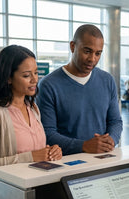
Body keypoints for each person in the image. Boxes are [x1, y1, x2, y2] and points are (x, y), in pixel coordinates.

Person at [0, 45, 63, 199]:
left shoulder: (33, 108)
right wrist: (30, 156)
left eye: (36, 73)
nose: (34, 80)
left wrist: (51, 152)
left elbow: (36, 151)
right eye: (26, 75)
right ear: (8, 78)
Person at [36, 24, 123, 155]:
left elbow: (115, 121)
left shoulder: (107, 80)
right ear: (72, 46)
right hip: (67, 163)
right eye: (87, 51)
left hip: (102, 159)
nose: (92, 59)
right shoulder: (48, 85)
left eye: (98, 53)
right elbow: (47, 133)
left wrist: (111, 140)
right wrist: (84, 146)